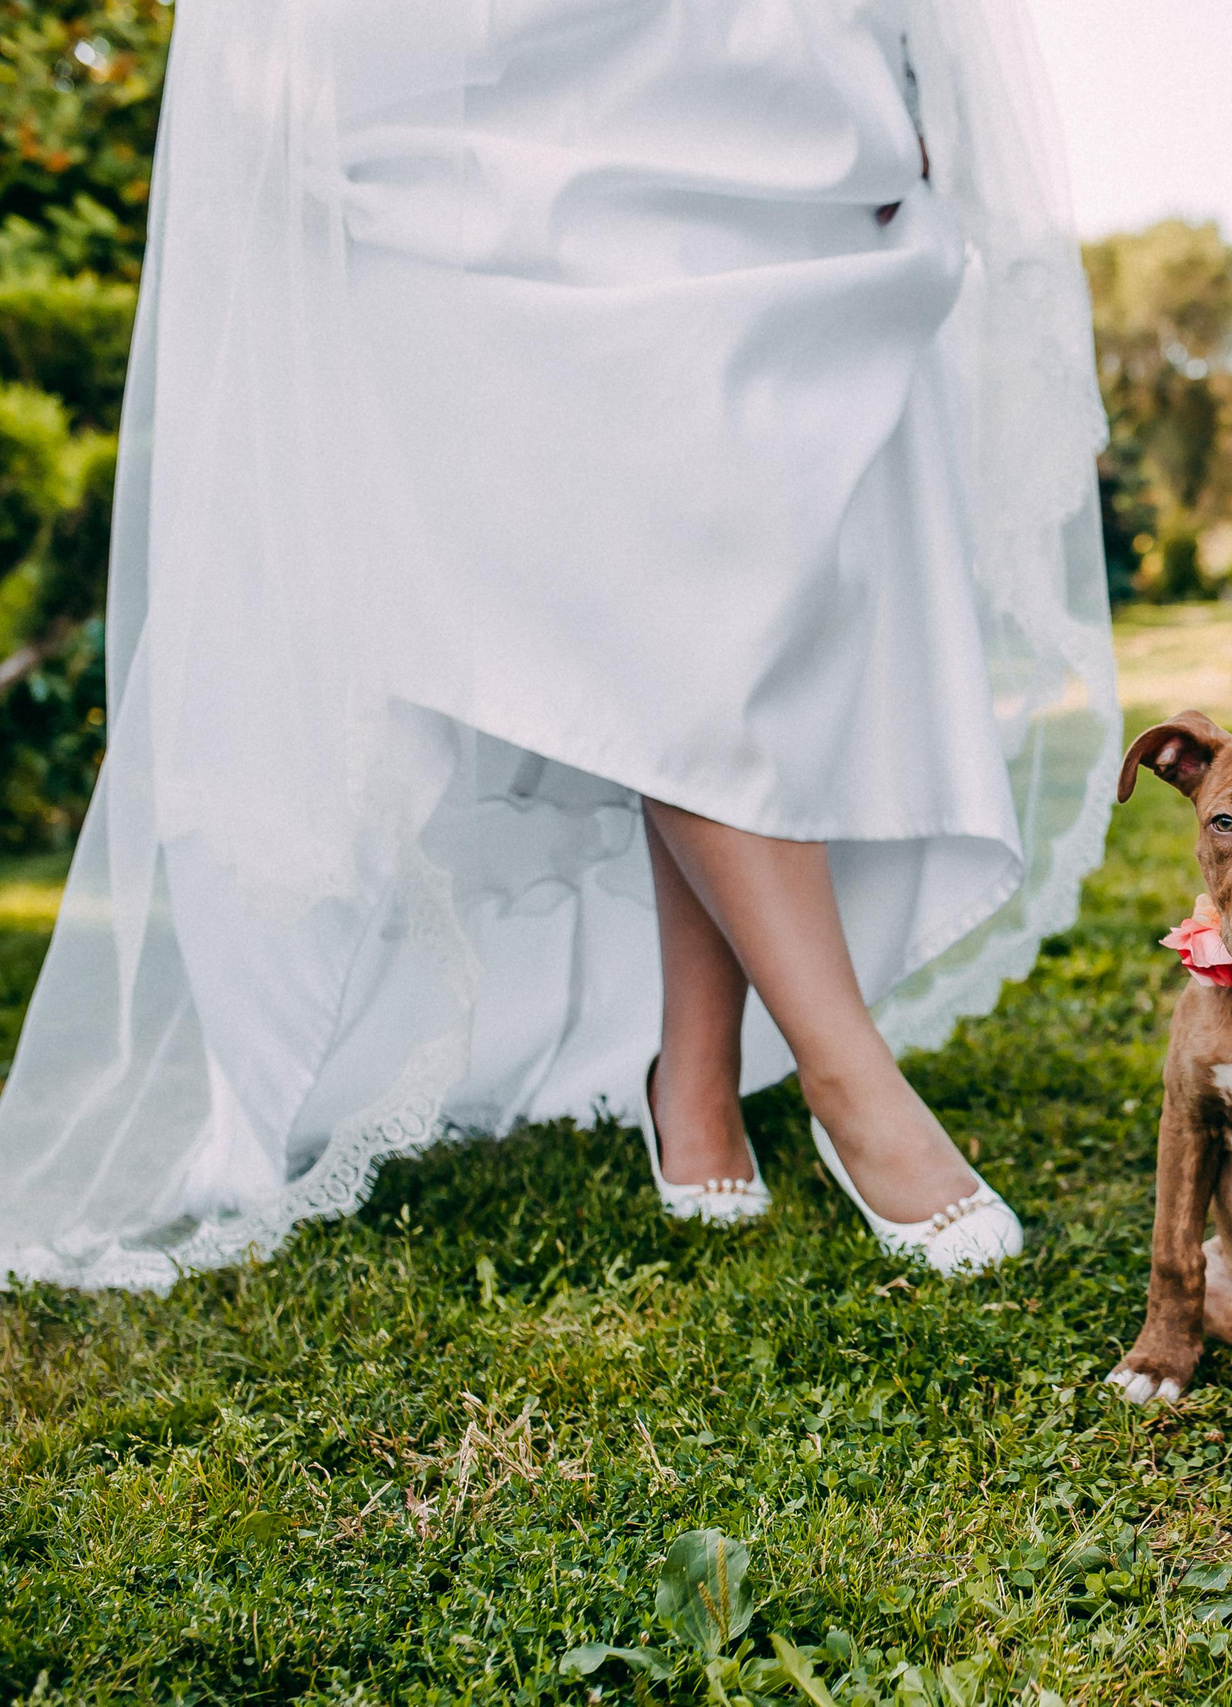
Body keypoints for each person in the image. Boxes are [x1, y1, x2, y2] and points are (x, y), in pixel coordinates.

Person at [0, 0, 1117, 1289]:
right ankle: (845, 1072)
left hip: (763, 58)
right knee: (654, 545)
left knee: (732, 560)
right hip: (527, 72)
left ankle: (693, 1075)